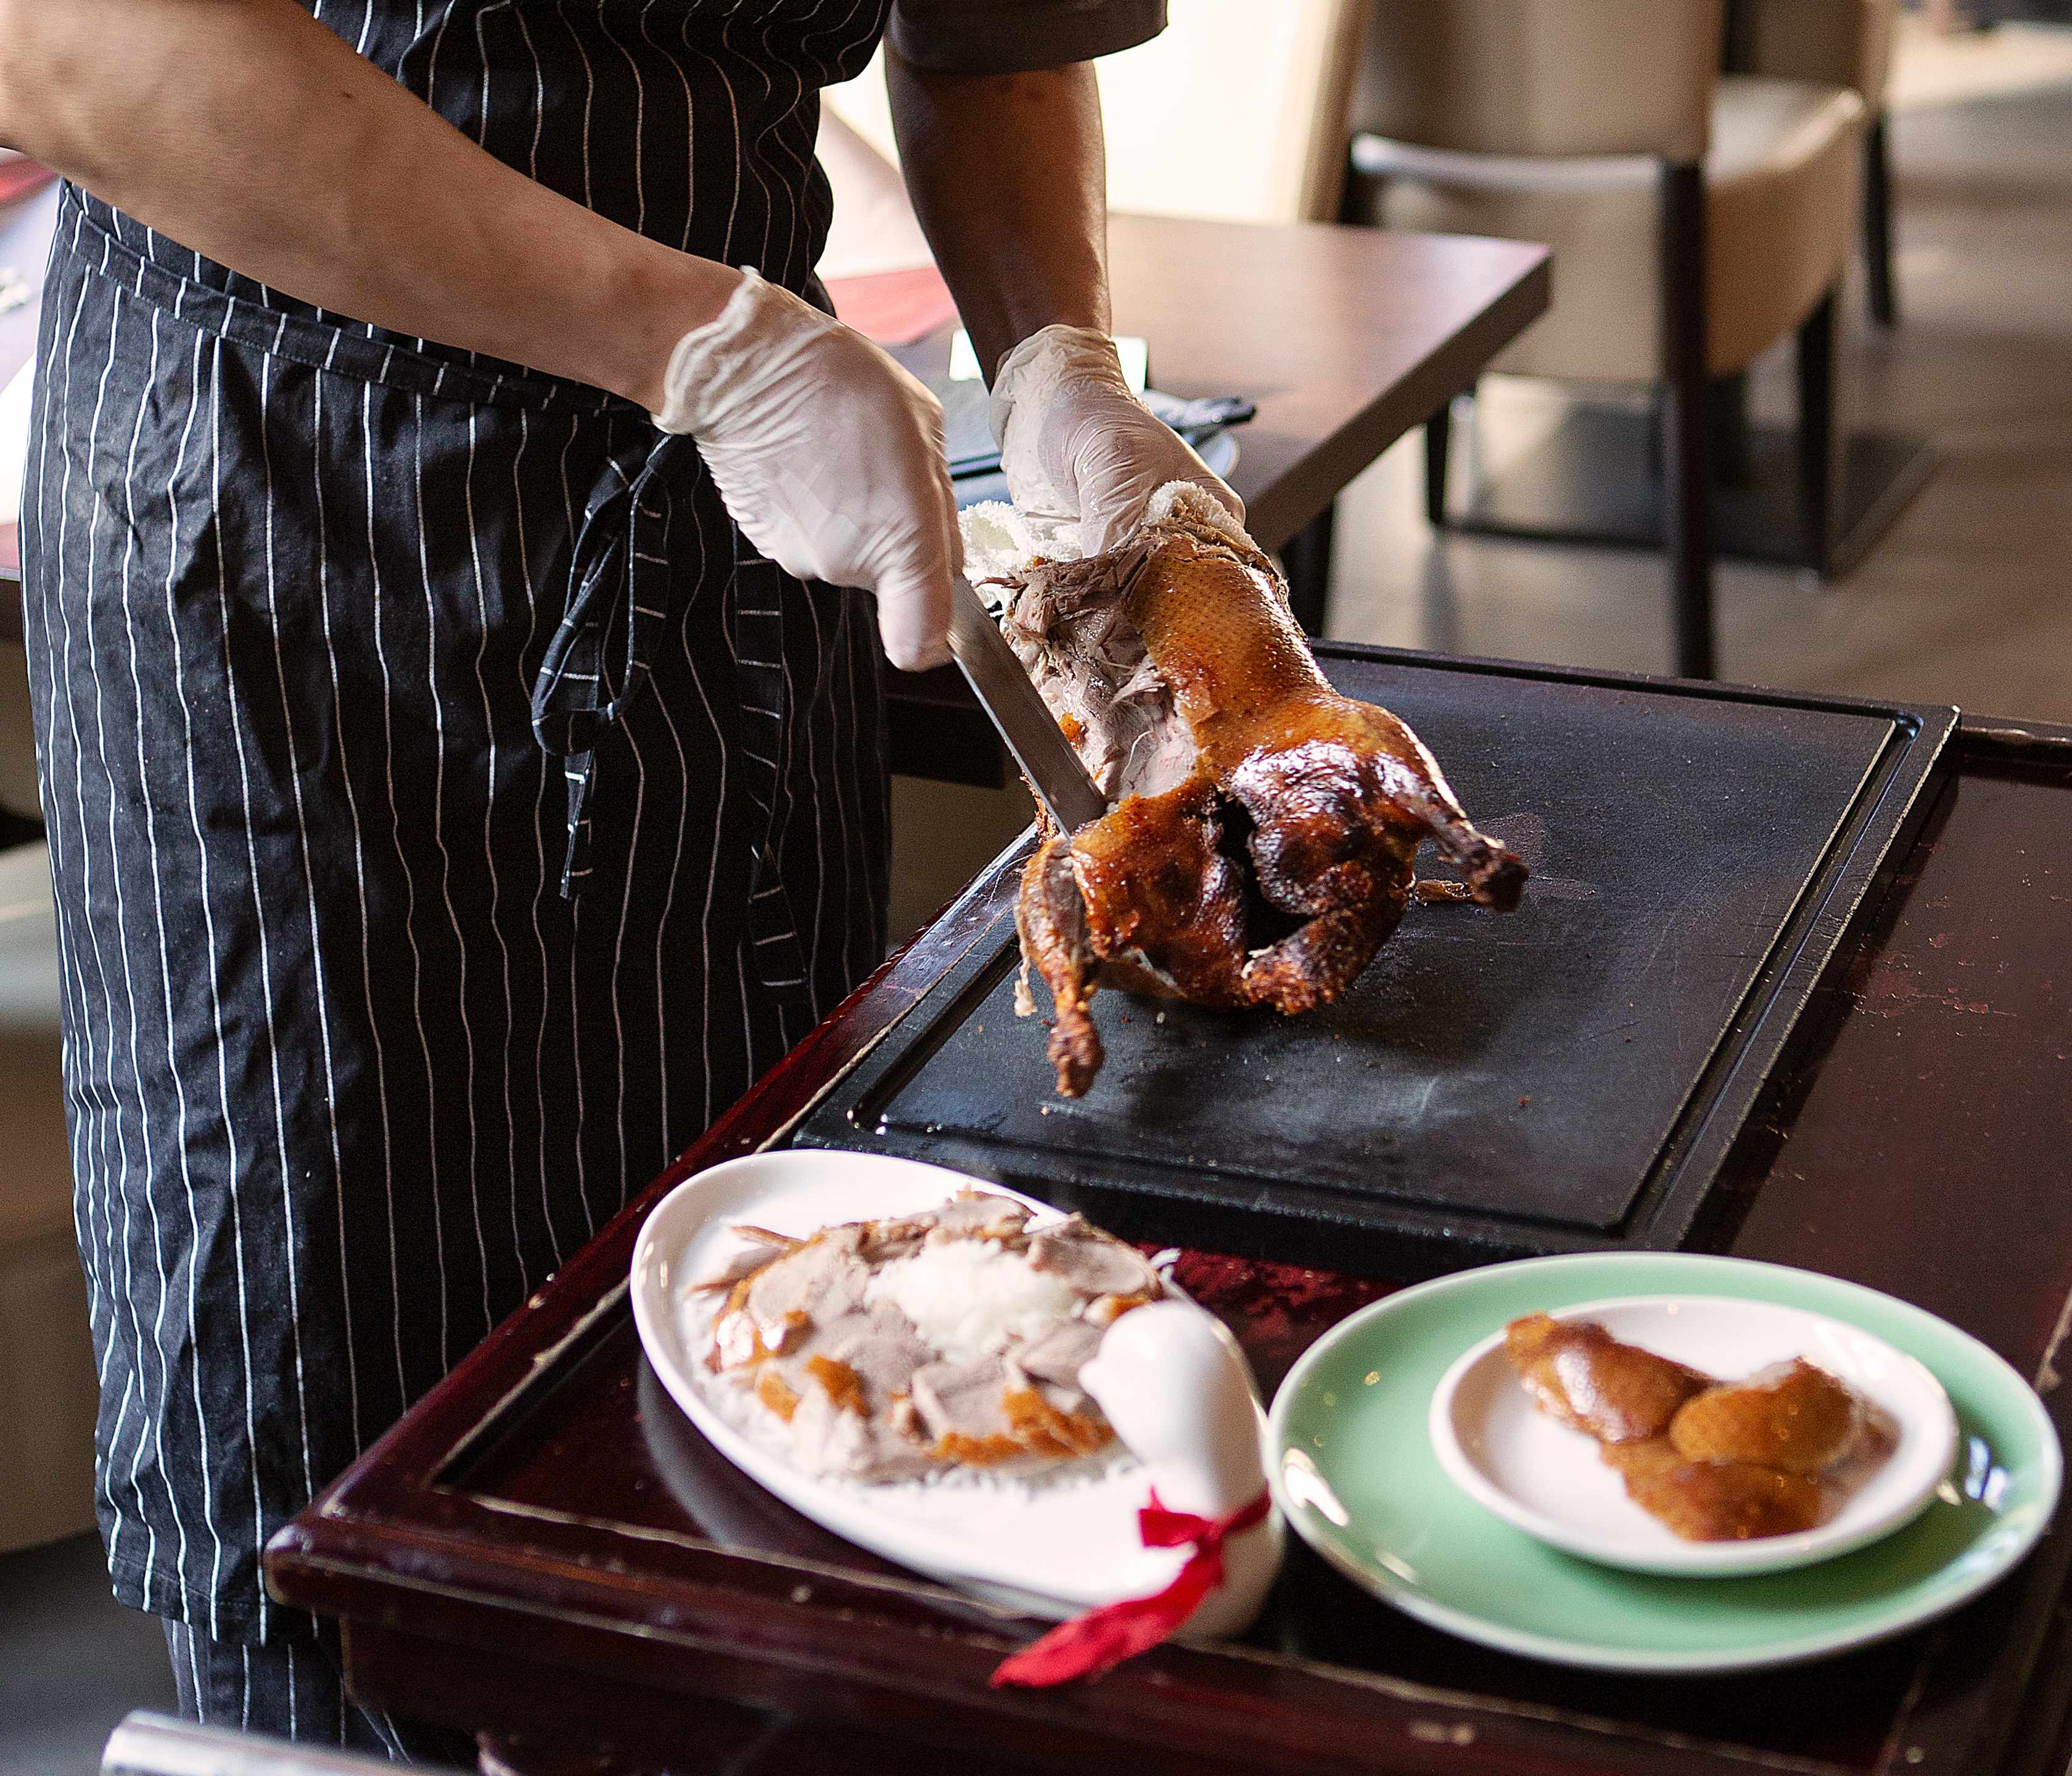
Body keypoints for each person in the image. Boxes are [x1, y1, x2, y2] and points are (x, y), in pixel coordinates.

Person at [0, 0, 1238, 1751]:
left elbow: (999, 36)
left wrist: (1061, 369)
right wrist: (695, 342)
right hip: (303, 549)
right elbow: (75, 41)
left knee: (767, 1410)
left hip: (740, 526)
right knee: (353, 1508)